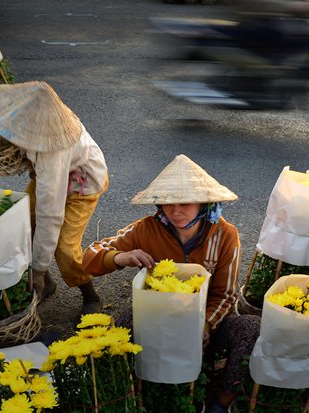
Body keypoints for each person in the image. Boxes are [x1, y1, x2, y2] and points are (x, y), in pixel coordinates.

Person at [83, 154, 260, 413]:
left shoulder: (225, 235)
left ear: (204, 202)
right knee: (121, 325)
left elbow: (227, 295)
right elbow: (88, 258)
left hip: (204, 330)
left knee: (251, 329)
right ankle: (135, 391)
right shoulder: (145, 230)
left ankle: (221, 401)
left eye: (185, 203)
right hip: (155, 325)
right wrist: (120, 257)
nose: (175, 211)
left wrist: (205, 324)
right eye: (167, 203)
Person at [0, 80, 108, 314]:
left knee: (64, 247)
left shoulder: (52, 152)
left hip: (81, 184)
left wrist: (37, 269)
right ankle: (48, 283)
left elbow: (50, 215)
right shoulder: (30, 106)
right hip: (53, 177)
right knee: (22, 223)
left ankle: (89, 295)